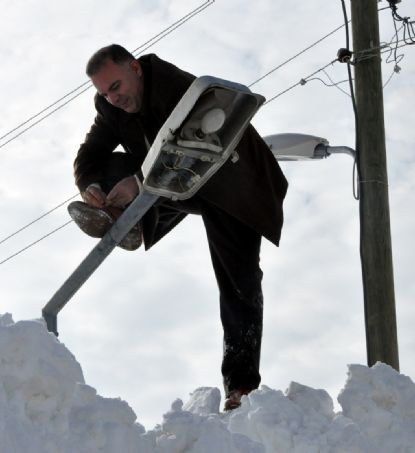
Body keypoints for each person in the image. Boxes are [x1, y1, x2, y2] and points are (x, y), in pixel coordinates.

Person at [71, 44, 288, 411]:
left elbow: (191, 151)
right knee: (109, 168)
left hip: (234, 183)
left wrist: (139, 182)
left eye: (117, 86)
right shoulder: (110, 107)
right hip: (178, 182)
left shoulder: (179, 89)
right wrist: (91, 187)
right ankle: (123, 220)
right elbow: (88, 156)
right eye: (105, 92)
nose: (113, 97)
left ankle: (241, 387)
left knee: (239, 282)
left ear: (135, 69)